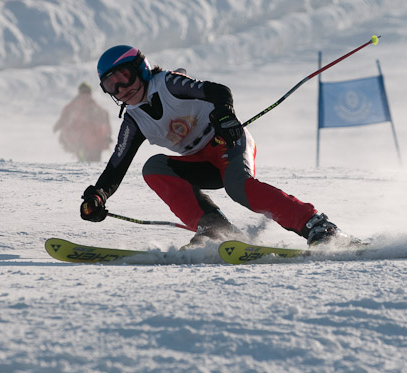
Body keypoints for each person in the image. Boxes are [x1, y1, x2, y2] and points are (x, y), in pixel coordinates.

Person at [80, 45, 356, 247]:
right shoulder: (134, 121)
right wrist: (99, 196)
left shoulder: (167, 83)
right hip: (200, 162)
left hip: (227, 141)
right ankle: (216, 229)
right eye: (110, 86)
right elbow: (117, 166)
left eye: (123, 78)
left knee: (239, 187)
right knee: (153, 168)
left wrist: (224, 115)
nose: (120, 90)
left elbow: (218, 91)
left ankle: (317, 226)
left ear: (140, 69)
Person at [53, 81, 112, 162]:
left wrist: (58, 127)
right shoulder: (96, 107)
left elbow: (64, 118)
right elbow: (104, 122)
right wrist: (107, 136)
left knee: (83, 162)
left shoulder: (73, 105)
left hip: (79, 142)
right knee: (95, 164)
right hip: (95, 142)